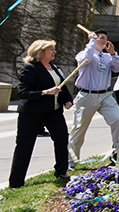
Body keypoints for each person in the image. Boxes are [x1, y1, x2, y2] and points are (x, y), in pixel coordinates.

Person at [8, 40, 74, 188]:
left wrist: (68, 100)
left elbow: (63, 88)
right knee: (24, 145)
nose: (54, 52)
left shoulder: (55, 69)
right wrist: (45, 92)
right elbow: (23, 92)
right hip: (32, 112)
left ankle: (61, 171)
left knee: (62, 138)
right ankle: (16, 182)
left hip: (54, 111)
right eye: (51, 49)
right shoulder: (30, 68)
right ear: (40, 51)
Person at [68, 29, 119, 168]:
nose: (104, 40)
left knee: (118, 120)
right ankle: (71, 161)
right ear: (93, 39)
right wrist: (91, 42)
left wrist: (113, 54)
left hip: (105, 95)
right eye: (101, 38)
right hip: (86, 96)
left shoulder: (107, 57)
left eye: (105, 38)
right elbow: (85, 60)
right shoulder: (85, 53)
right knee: (79, 128)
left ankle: (117, 154)